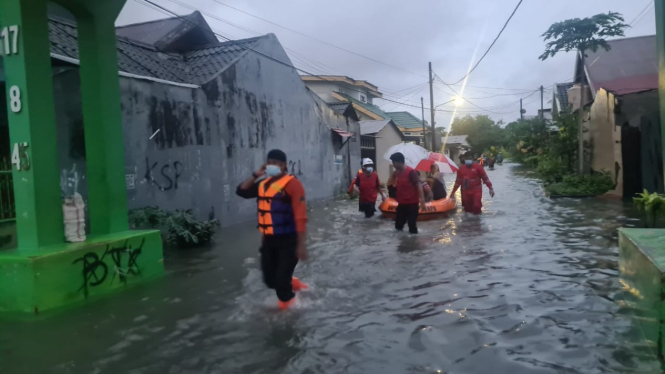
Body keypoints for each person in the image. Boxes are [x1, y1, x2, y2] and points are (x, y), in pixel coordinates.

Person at [236, 149, 308, 310]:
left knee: (281, 286)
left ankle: (288, 318)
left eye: (276, 163)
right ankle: (293, 284)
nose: (272, 166)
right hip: (269, 241)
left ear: (284, 166)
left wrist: (301, 244)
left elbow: (301, 215)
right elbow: (241, 191)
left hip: (290, 241)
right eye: (270, 163)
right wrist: (256, 174)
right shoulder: (263, 184)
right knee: (270, 281)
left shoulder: (293, 184)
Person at [389, 152, 427, 234]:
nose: (393, 164)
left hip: (412, 204)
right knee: (398, 226)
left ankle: (413, 245)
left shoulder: (411, 172)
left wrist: (423, 201)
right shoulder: (397, 173)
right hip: (402, 204)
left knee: (411, 225)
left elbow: (419, 185)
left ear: (399, 161)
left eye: (394, 162)